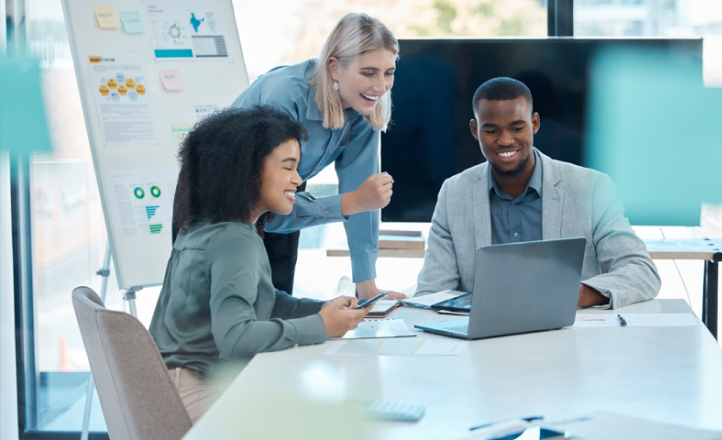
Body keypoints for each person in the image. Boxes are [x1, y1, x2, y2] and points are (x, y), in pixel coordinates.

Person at [150, 106, 370, 423]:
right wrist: (322, 326)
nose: (298, 179)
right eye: (288, 167)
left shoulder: (205, 227)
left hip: (171, 390)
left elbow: (259, 297)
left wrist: (322, 309)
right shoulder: (234, 240)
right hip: (198, 398)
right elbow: (236, 337)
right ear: (247, 171)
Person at [415, 77, 661, 309]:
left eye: (516, 127)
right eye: (491, 131)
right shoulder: (454, 193)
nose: (505, 140)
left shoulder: (591, 187)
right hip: (483, 340)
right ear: (474, 130)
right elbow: (433, 291)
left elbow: (641, 271)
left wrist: (576, 293)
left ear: (534, 124)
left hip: (569, 336)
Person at [230, 13, 405, 299]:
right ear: (334, 67)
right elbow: (264, 206)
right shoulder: (285, 97)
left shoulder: (363, 108)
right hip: (226, 201)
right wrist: (349, 202)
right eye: (369, 72)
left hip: (283, 195)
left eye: (388, 72)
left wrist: (367, 286)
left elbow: (363, 197)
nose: (381, 86)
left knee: (277, 312)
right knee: (233, 322)